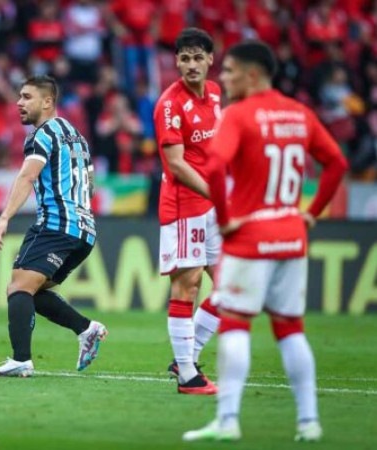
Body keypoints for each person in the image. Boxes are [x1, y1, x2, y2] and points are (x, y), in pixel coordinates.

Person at [183, 40, 348, 442]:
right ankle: (309, 422)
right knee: (290, 328)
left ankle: (227, 420)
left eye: (230, 71)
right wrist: (311, 212)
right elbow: (337, 163)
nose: (223, 77)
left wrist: (224, 219)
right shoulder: (299, 113)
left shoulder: (239, 115)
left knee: (236, 324)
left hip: (250, 235)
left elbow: (216, 166)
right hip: (291, 235)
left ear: (252, 74)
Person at [0, 75, 108, 377]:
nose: (19, 103)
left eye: (27, 97)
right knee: (32, 291)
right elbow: (90, 186)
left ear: (48, 102)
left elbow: (27, 177)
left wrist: (4, 218)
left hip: (56, 225)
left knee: (17, 286)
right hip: (85, 232)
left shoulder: (41, 136)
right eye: (19, 97)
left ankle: (21, 360)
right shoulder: (77, 137)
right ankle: (86, 328)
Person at [151, 28, 222, 395]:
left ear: (211, 59)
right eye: (184, 58)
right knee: (188, 284)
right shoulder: (169, 104)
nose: (191, 65)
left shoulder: (215, 94)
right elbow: (176, 164)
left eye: (198, 57)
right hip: (184, 206)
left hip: (213, 204)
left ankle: (186, 358)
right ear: (176, 61)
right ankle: (188, 377)